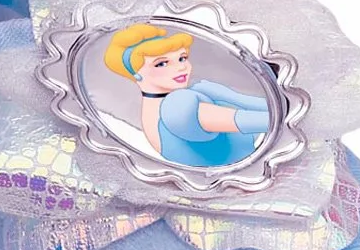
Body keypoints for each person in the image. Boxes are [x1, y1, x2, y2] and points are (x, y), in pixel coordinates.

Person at [105, 23, 270, 167]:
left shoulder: (156, 112)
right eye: (162, 63)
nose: (181, 67)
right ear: (136, 74)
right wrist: (232, 97)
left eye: (182, 58)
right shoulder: (177, 105)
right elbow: (270, 121)